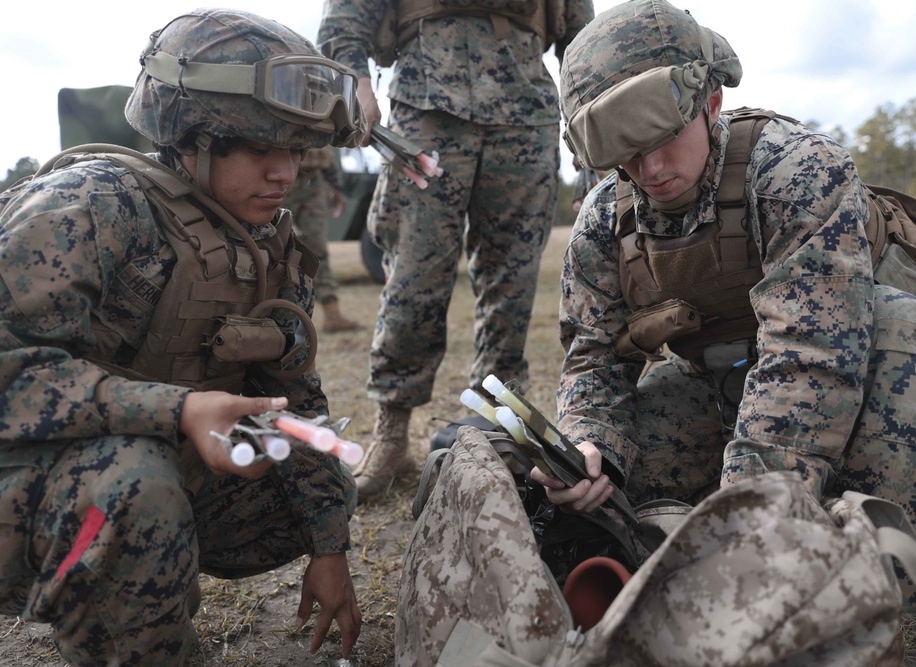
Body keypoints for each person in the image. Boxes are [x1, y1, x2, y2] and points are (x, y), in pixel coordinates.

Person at [532, 0, 916, 642]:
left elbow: (810, 365)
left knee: (905, 334)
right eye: (626, 155)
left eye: (661, 141)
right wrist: (592, 447)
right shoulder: (605, 220)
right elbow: (594, 363)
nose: (649, 171)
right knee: (615, 487)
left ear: (709, 104)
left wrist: (740, 532)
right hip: (725, 391)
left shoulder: (798, 172)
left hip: (857, 384)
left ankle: (882, 568)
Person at [0, 9, 367, 665]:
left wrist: (329, 546)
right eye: (260, 149)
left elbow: (295, 402)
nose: (284, 172)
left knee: (301, 470)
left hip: (128, 482)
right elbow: (10, 376)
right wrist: (178, 409)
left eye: (294, 150)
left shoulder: (264, 245)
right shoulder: (86, 206)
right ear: (193, 135)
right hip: (33, 504)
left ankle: (138, 581)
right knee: (136, 486)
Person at [317, 0, 595, 501]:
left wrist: (587, 124)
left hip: (525, 116)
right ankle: (394, 435)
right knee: (414, 280)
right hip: (427, 110)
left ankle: (499, 431)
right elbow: (347, 15)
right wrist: (356, 83)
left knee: (511, 285)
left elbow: (581, 36)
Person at [285, 145, 363, 333]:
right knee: (278, 246)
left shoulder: (321, 114)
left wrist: (335, 186)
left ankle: (332, 314)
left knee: (317, 250)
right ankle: (280, 317)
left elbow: (324, 144)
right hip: (282, 176)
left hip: (313, 182)